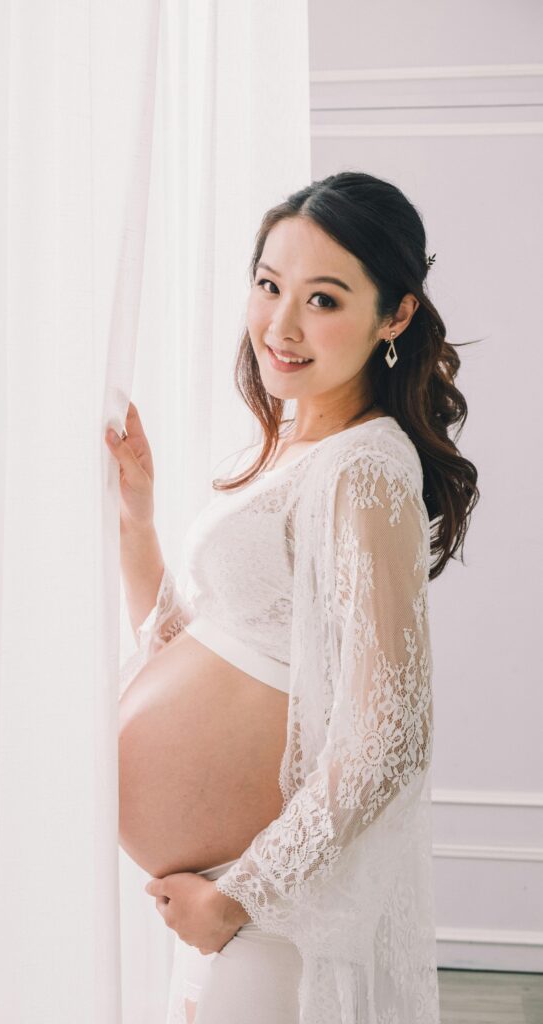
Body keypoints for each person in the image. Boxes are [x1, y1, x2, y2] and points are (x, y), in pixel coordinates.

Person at [107, 170, 480, 1023]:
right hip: (228, 890)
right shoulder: (293, 448)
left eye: (322, 299)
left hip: (273, 908)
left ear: (395, 317)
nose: (280, 325)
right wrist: (136, 518)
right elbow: (198, 651)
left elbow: (390, 736)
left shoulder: (364, 466)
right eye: (269, 285)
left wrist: (242, 897)